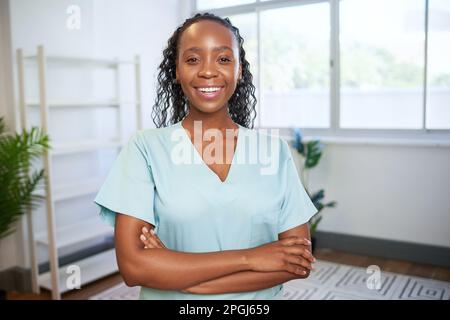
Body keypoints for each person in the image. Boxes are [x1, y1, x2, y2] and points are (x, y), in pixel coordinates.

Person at [94, 12, 318, 300]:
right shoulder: (145, 149)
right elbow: (134, 267)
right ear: (176, 70)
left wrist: (185, 278)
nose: (208, 72)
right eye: (193, 59)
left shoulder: (273, 152)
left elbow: (297, 262)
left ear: (239, 70)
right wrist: (252, 258)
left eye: (223, 59)